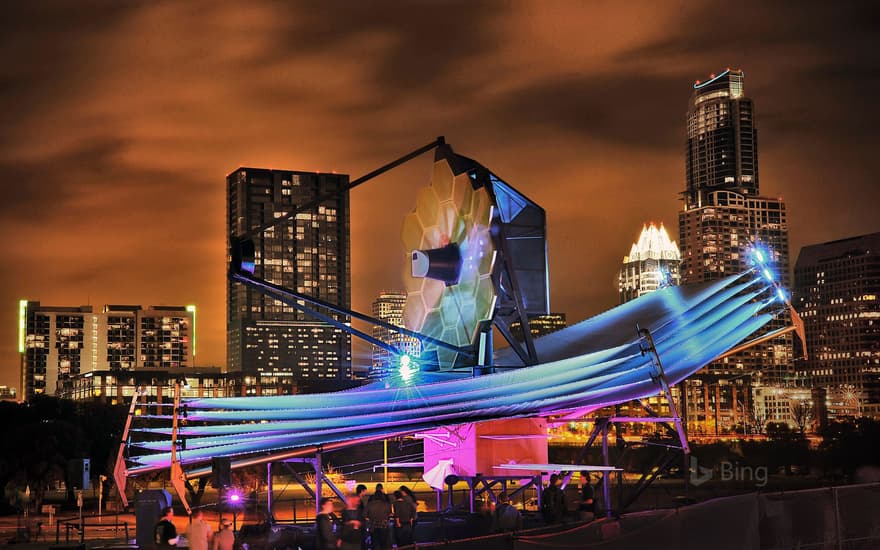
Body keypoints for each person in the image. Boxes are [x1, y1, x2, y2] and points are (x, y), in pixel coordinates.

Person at [366, 485, 391, 550]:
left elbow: (365, 514)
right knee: (384, 544)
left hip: (373, 526)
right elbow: (389, 513)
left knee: (374, 544)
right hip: (384, 526)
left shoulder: (370, 503)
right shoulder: (386, 504)